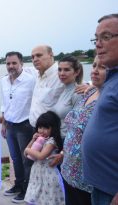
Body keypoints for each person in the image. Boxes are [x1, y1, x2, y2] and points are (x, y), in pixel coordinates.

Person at [82, 13, 118, 205]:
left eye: (106, 37)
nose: (98, 44)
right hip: (101, 186)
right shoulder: (111, 78)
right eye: (96, 39)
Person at [61, 56, 106, 205]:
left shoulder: (109, 101)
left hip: (88, 181)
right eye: (94, 66)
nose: (95, 70)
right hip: (69, 172)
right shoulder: (88, 92)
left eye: (102, 67)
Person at [0, 52, 35, 203]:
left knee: (26, 160)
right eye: (8, 63)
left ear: (21, 63)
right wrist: (3, 123)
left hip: (25, 125)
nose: (11, 66)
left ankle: (27, 191)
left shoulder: (31, 80)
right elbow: (4, 102)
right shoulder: (3, 81)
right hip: (10, 125)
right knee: (15, 159)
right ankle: (18, 185)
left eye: (14, 63)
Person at [23, 111, 65, 205]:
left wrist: (27, 150)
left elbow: (41, 156)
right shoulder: (40, 139)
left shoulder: (51, 141)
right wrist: (33, 140)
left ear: (53, 128)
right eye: (40, 127)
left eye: (46, 128)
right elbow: (27, 155)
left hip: (48, 175)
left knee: (47, 200)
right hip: (37, 175)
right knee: (35, 199)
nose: (42, 131)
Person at [29, 45, 64, 129]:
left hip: (53, 132)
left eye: (39, 55)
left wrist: (88, 87)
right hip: (37, 129)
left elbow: (78, 84)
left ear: (51, 55)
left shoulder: (61, 74)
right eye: (33, 57)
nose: (35, 59)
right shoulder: (38, 74)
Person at [52, 55, 83, 138]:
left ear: (76, 72)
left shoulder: (77, 93)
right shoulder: (63, 90)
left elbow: (78, 125)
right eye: (59, 69)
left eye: (66, 70)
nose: (62, 73)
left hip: (68, 140)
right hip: (59, 138)